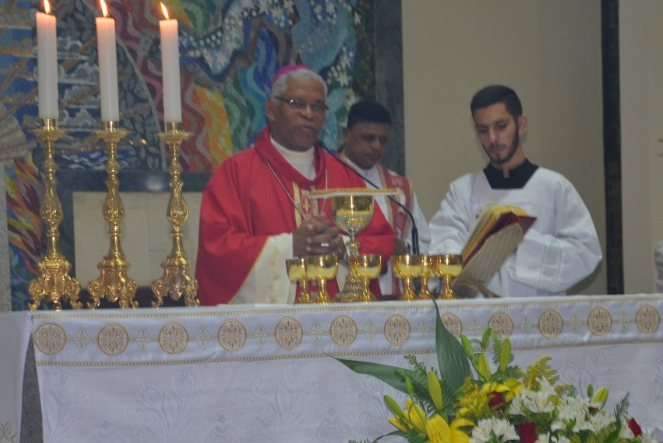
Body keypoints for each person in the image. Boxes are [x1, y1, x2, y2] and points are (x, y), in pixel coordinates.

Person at [195, 65, 395, 305]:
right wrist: (290, 246)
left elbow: (382, 238)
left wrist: (344, 247)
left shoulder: (344, 174)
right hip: (272, 329)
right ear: (271, 109)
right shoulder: (236, 173)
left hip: (340, 324)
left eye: (318, 107)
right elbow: (218, 249)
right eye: (297, 103)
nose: (309, 114)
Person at [428, 85, 602, 297]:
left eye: (501, 126)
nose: (492, 138)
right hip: (479, 322)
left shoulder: (555, 187)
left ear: (521, 124)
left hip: (540, 320)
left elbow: (586, 254)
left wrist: (517, 243)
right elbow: (441, 249)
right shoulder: (462, 191)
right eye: (483, 130)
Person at [340, 100, 431, 295]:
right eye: (368, 138)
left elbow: (423, 242)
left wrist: (404, 247)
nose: (376, 146)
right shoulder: (328, 179)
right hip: (341, 293)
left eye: (383, 140)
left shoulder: (399, 188)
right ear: (346, 135)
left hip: (391, 294)